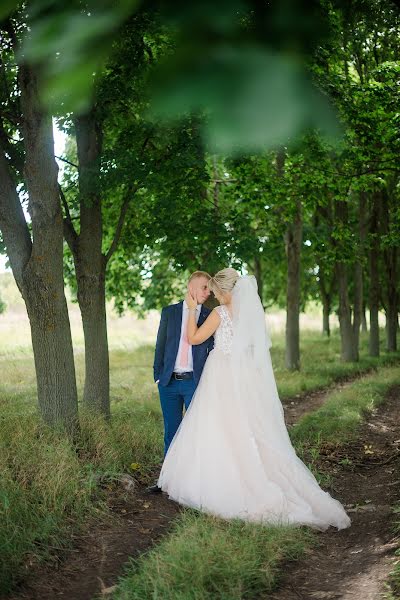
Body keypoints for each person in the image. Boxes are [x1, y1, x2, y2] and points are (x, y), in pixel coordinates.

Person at [157, 268, 351, 531]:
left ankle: (222, 483)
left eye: (214, 292)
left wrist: (191, 310)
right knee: (246, 428)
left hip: (221, 378)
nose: (213, 297)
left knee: (220, 428)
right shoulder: (251, 317)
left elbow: (193, 338)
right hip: (246, 379)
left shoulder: (219, 314)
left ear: (224, 291)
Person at [148, 271, 214, 493]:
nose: (208, 292)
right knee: (171, 432)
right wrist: (158, 374)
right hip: (168, 383)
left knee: (196, 432)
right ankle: (167, 481)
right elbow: (161, 344)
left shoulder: (208, 315)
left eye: (210, 288)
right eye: (204, 287)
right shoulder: (170, 312)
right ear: (191, 286)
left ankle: (196, 483)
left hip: (194, 383)